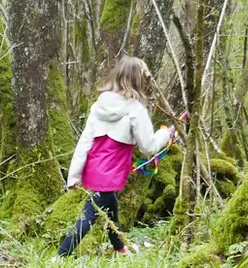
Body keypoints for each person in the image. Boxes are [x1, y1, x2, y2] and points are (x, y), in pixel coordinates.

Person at [59, 56, 175, 257]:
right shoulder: (135, 109)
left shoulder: (98, 106)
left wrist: (74, 176)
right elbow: (148, 147)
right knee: (89, 215)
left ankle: (120, 248)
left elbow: (84, 142)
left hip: (94, 169)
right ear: (139, 81)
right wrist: (167, 134)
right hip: (111, 172)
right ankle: (61, 255)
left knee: (110, 205)